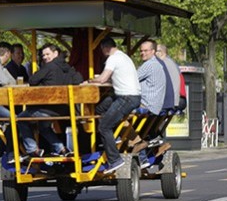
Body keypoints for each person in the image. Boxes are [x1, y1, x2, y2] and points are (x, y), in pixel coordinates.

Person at [10, 44, 83, 163]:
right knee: (43, 127)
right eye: (43, 55)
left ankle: (33, 149)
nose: (45, 57)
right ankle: (62, 149)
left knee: (21, 119)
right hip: (65, 110)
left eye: (47, 54)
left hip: (47, 109)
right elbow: (79, 80)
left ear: (56, 54)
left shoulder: (49, 67)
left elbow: (33, 80)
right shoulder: (69, 68)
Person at [84, 37, 141, 174]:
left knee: (103, 126)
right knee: (99, 109)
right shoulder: (123, 56)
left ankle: (115, 159)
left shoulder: (112, 58)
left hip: (126, 97)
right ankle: (111, 139)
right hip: (128, 95)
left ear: (105, 48)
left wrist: (89, 81)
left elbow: (103, 78)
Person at [137, 40, 166, 115]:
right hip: (156, 106)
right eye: (141, 51)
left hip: (147, 105)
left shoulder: (149, 64)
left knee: (114, 104)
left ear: (153, 51)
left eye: (146, 51)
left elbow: (131, 79)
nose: (142, 53)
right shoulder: (157, 64)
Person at [156, 44, 180, 109]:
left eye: (155, 51)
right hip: (175, 100)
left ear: (161, 52)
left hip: (168, 101)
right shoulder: (172, 63)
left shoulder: (162, 64)